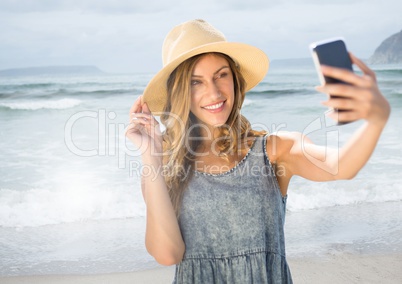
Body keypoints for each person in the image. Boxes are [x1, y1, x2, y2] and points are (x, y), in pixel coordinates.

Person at [125, 19, 390, 283]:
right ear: (180, 91)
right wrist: (150, 153)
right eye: (196, 82)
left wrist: (376, 120)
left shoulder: (273, 151)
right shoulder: (162, 167)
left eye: (221, 75)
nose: (214, 92)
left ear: (235, 80)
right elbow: (168, 254)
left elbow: (341, 166)